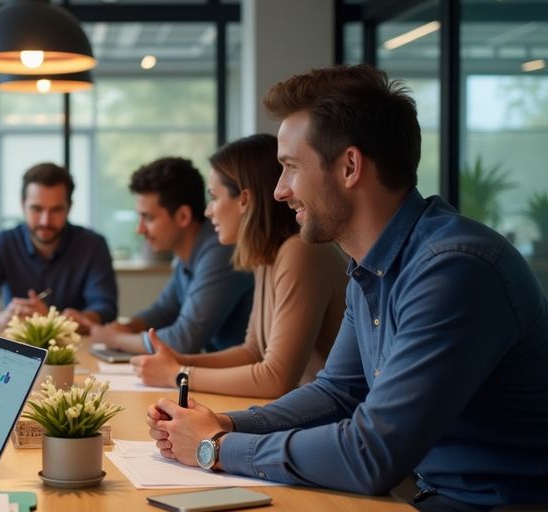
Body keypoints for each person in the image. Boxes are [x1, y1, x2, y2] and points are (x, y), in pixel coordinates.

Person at [147, 65, 548, 510]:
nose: (279, 191)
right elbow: (337, 393)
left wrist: (216, 448)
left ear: (350, 167)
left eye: (291, 168)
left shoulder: (454, 269)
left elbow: (372, 454)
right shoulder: (370, 265)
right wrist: (220, 423)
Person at [131, 134, 347, 398]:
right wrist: (180, 359)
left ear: (244, 199)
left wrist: (179, 374)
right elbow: (253, 351)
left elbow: (275, 379)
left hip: (328, 419)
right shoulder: (270, 255)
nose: (209, 212)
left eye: (214, 197)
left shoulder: (300, 252)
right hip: (301, 412)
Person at [91, 157, 253, 354]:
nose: (140, 229)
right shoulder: (187, 256)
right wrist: (127, 327)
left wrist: (116, 339)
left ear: (183, 216)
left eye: (148, 218)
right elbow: (164, 312)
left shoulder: (222, 250)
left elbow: (184, 339)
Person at [0, 163, 118, 330]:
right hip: (19, 347)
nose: (45, 221)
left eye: (56, 210)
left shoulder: (92, 245)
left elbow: (106, 309)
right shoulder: (2, 243)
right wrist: (1, 317)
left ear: (69, 207)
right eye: (36, 209)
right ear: (22, 205)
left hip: (75, 345)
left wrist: (57, 319)